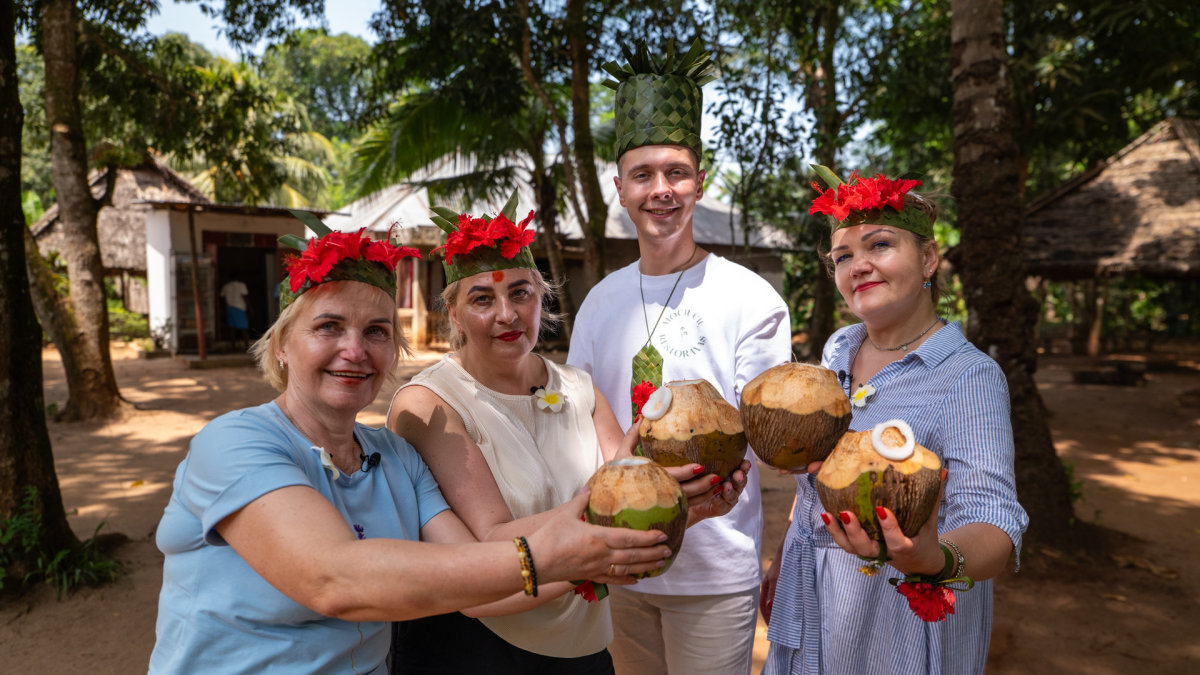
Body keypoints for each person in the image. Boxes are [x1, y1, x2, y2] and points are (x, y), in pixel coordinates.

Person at [149, 222, 674, 674]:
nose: (354, 350)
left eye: (376, 331)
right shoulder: (236, 443)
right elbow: (333, 579)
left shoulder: (395, 460)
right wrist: (554, 554)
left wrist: (619, 536)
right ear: (283, 345)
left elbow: (478, 575)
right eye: (328, 327)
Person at [386, 195, 747, 674]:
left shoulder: (579, 388)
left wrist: (689, 509)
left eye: (520, 293)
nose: (507, 315)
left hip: (582, 646)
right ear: (453, 313)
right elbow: (490, 539)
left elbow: (626, 504)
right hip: (477, 648)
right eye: (481, 299)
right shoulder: (428, 404)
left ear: (541, 296)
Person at [567, 41, 793, 675]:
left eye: (676, 173)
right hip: (618, 556)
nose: (660, 191)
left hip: (713, 568)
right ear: (619, 187)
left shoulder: (751, 298)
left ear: (701, 180)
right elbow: (584, 413)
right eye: (643, 175)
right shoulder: (599, 303)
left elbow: (767, 433)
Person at [759, 167, 1030, 674]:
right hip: (813, 589)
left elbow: (996, 522)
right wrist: (783, 555)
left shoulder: (968, 376)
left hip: (892, 615)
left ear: (929, 258)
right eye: (842, 257)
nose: (857, 265)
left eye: (879, 245)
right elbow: (819, 482)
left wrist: (934, 558)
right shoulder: (838, 349)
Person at [220, 271, 251, 350]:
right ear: (238, 277)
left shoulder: (226, 286)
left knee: (232, 328)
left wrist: (224, 308)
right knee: (244, 329)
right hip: (240, 308)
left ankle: (233, 347)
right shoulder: (242, 285)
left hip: (230, 308)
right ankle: (247, 346)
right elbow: (245, 297)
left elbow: (222, 298)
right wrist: (250, 308)